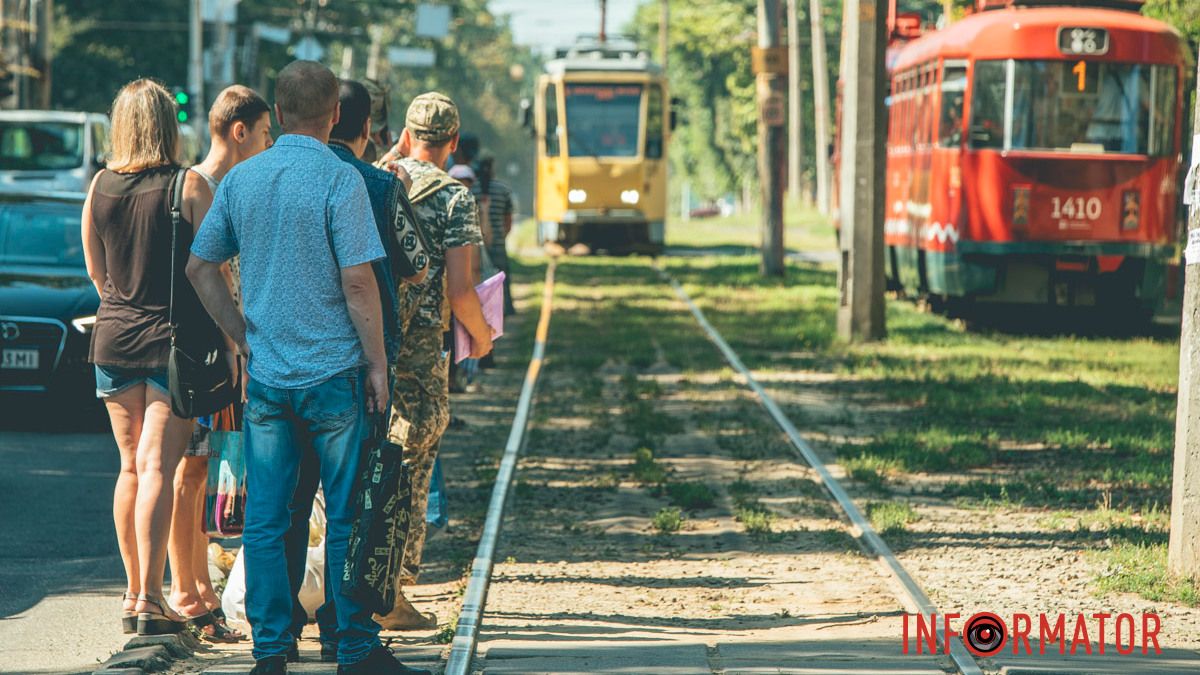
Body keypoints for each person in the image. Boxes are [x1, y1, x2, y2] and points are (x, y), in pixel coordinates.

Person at [186, 60, 430, 675]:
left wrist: (241, 336)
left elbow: (199, 267)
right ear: (336, 116)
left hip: (269, 381)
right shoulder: (340, 180)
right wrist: (377, 364)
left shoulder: (243, 181)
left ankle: (271, 649)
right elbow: (357, 282)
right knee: (345, 511)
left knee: (269, 518)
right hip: (335, 379)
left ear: (280, 110)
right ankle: (351, 644)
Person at [284, 78, 431, 662]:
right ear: (363, 126)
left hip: (288, 362)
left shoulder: (279, 176)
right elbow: (416, 266)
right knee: (354, 505)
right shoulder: (373, 183)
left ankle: (285, 631)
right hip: (359, 367)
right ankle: (348, 633)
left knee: (291, 506)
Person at [82, 78, 226, 636]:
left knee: (129, 467)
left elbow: (97, 274)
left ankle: (132, 594)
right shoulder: (189, 187)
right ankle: (150, 599)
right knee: (159, 467)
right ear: (169, 125)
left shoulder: (99, 186)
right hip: (175, 347)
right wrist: (233, 339)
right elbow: (214, 270)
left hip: (114, 339)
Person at [373, 92, 492, 631]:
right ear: (453, 141)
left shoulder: (375, 179)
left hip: (363, 347)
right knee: (411, 471)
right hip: (419, 361)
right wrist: (483, 337)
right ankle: (392, 596)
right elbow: (462, 288)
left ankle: (342, 585)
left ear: (405, 132)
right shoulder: (454, 199)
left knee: (359, 469)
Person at [167, 84, 272, 644]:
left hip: (213, 347)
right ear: (239, 132)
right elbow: (215, 274)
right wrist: (237, 345)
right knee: (190, 471)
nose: (267, 143)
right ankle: (187, 590)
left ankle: (199, 585)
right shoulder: (201, 186)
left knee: (203, 471)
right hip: (203, 349)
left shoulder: (221, 186)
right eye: (263, 133)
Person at [471, 154, 516, 316]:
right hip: (498, 243)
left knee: (481, 280)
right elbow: (508, 219)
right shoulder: (503, 189)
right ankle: (506, 310)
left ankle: (483, 311)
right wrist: (502, 235)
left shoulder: (471, 190)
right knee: (502, 278)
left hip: (477, 246)